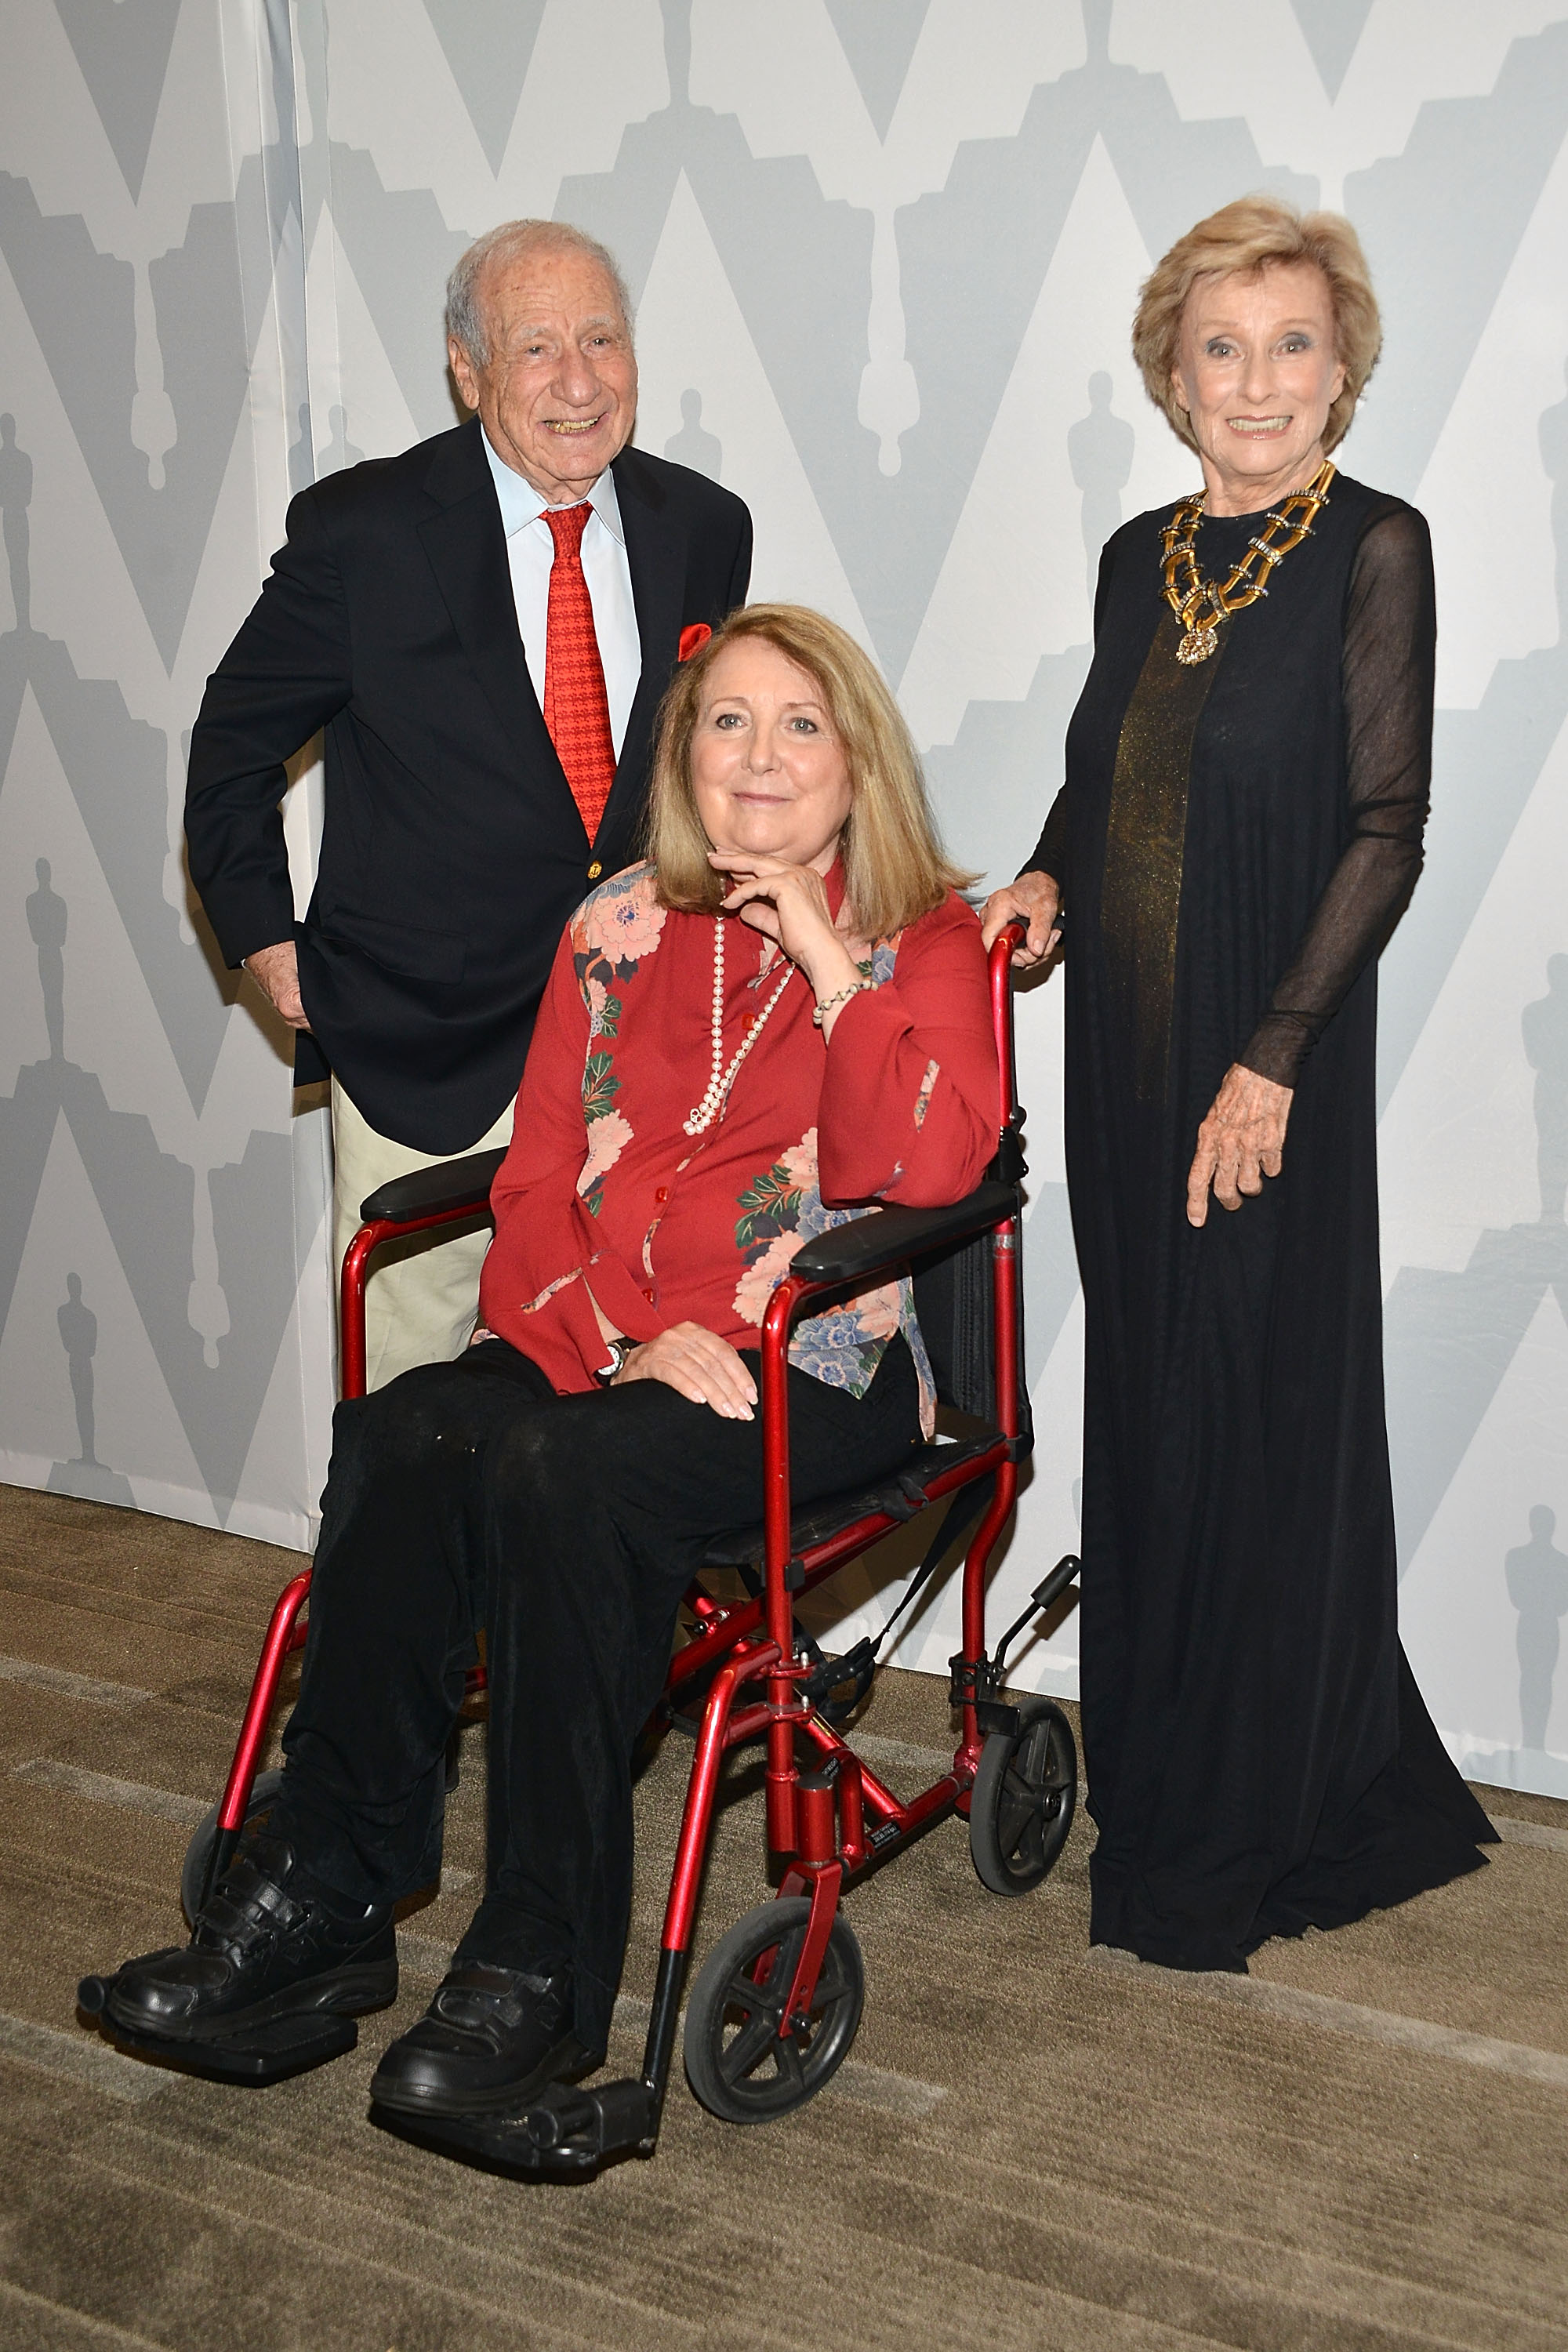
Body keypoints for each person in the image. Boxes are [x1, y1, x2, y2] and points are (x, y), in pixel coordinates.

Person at [83, 604, 997, 2123]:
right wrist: (627, 1335)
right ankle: (325, 1897)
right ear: (681, 754)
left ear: (859, 763)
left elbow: (926, 1164)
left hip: (809, 1365)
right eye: (725, 722)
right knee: (406, 1435)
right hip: (611, 1344)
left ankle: (536, 1974)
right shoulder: (618, 925)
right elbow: (535, 1179)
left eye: (797, 726)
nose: (756, 757)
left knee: (559, 1471)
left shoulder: (929, 937)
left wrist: (832, 956)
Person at [982, 195, 1495, 1972]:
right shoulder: (1141, 554)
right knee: (1153, 1399)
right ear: (1172, 377)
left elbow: (1384, 828)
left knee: (1254, 1412)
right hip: (1121, 1066)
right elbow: (1096, 770)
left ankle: (1263, 1788)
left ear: (1339, 367)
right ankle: (1166, 1755)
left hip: (1259, 1063)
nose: (1256, 379)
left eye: (1289, 343)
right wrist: (1045, 876)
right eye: (1221, 347)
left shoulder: (1375, 548)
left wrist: (1272, 1056)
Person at [184, 220, 753, 1389]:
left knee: (615, 1375)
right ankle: (386, 1580)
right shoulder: (365, 535)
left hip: (639, 1055)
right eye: (537, 348)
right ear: (467, 369)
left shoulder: (705, 528)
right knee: (410, 1387)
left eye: (602, 338)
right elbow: (232, 747)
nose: (580, 380)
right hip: (424, 1046)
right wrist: (263, 942)